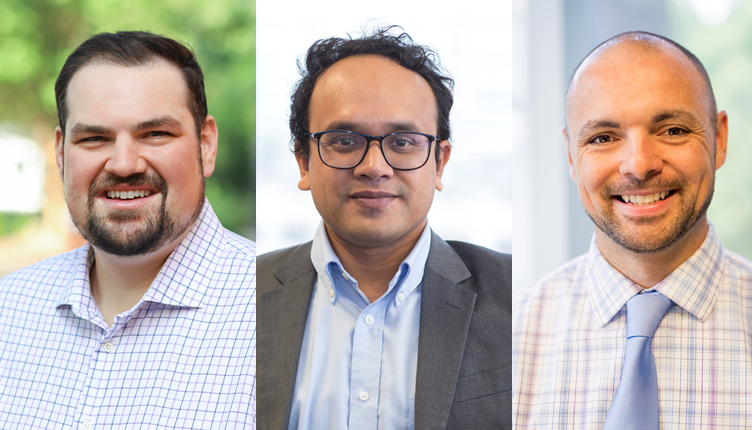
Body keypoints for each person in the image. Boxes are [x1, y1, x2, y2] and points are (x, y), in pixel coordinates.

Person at [256, 27, 512, 429]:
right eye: (344, 141)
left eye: (403, 142)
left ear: (439, 162)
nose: (374, 167)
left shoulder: (517, 294)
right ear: (304, 161)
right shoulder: (243, 295)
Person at [513, 31, 752, 428]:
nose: (639, 164)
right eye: (603, 137)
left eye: (673, 130)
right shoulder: (507, 340)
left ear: (719, 139)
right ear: (570, 156)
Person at [0, 32, 255, 427]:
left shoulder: (279, 318)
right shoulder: (8, 309)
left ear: (206, 145)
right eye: (94, 138)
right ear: (60, 153)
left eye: (155, 134)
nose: (123, 164)